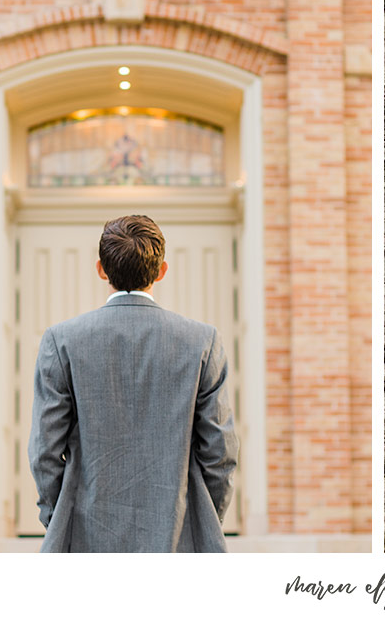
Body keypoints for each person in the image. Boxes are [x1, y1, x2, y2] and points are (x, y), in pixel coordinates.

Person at [28, 214, 238, 552]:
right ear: (161, 271)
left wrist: (58, 518)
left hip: (86, 537)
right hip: (178, 537)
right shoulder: (201, 341)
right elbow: (221, 452)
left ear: (101, 269)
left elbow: (44, 451)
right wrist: (204, 518)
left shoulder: (62, 341)